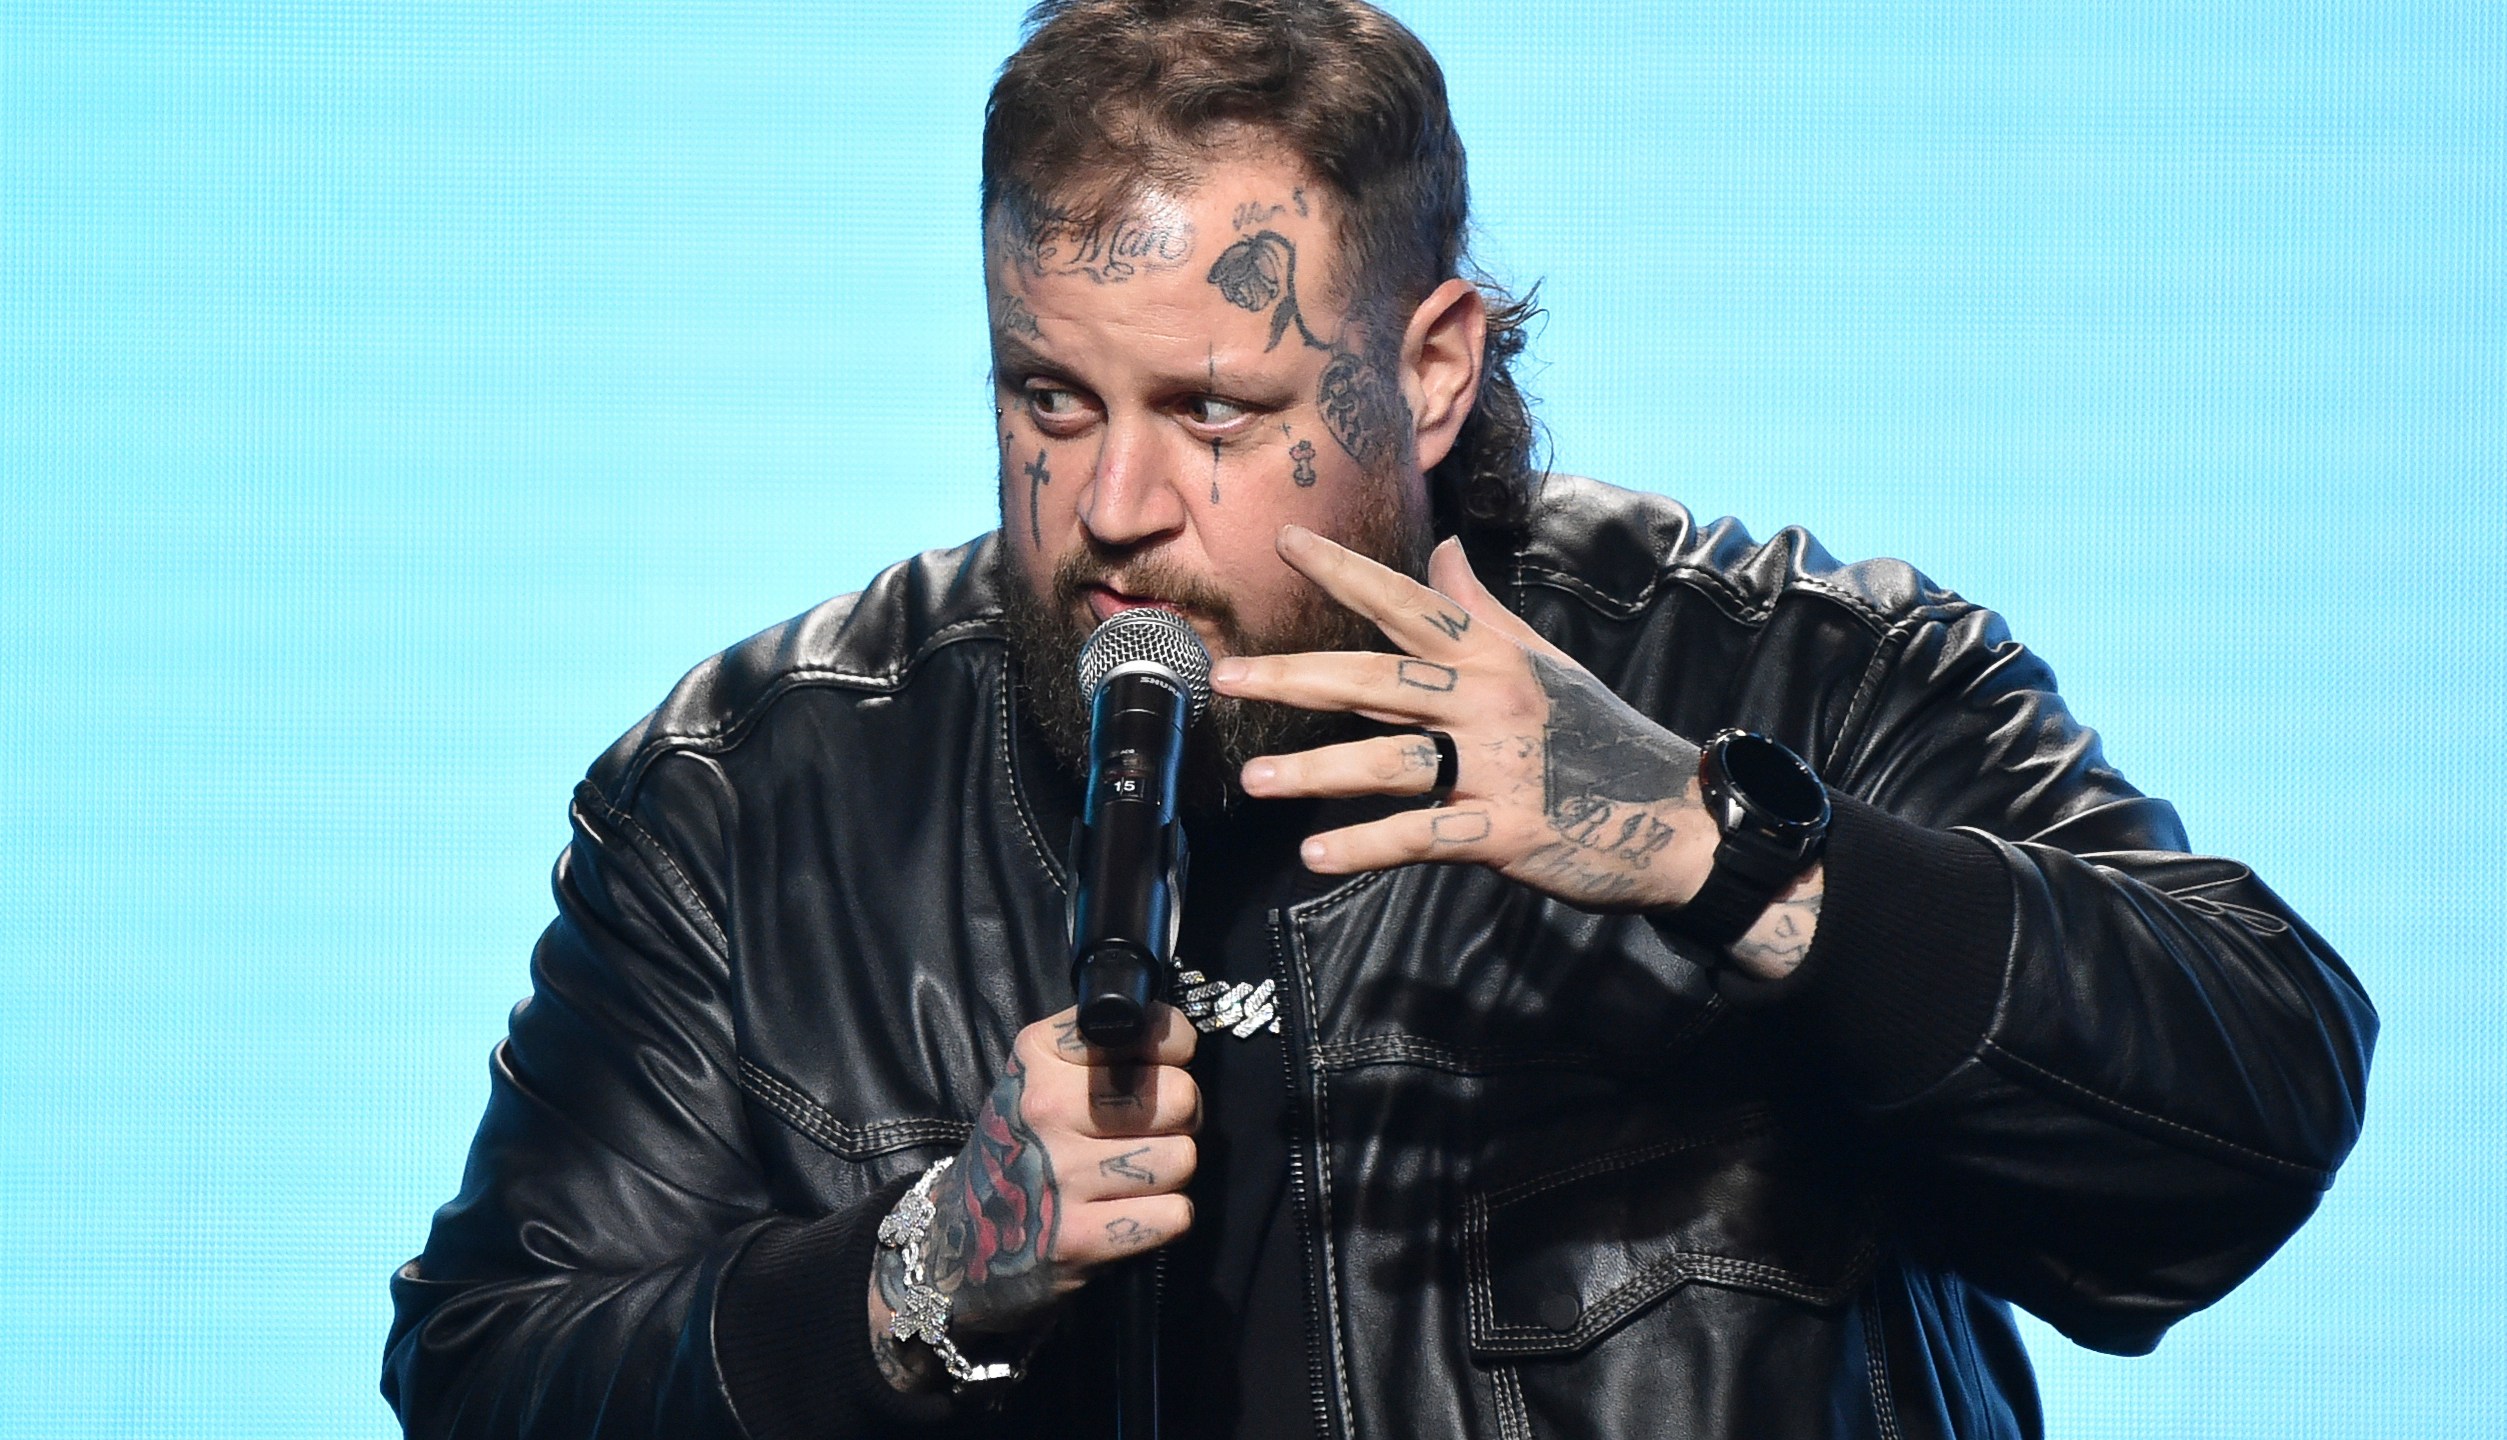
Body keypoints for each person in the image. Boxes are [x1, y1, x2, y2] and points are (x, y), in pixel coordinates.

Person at [383, 2, 2376, 1437]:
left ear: (1424, 375)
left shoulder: (1787, 678)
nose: (1112, 506)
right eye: (1048, 398)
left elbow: (2256, 1107)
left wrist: (1727, 852)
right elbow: (486, 1379)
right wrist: (910, 1281)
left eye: (1214, 414)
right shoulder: (757, 804)